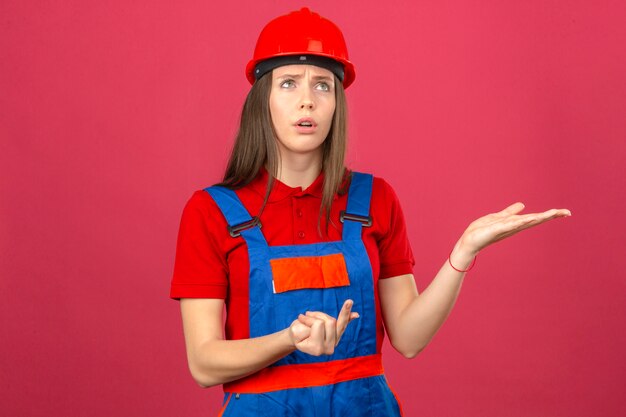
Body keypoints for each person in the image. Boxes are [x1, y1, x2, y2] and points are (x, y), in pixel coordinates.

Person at [170, 7, 571, 416]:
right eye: (288, 83)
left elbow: (410, 338)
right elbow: (204, 363)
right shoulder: (211, 212)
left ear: (337, 104)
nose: (307, 101)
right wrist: (290, 339)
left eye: (323, 86)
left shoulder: (374, 199)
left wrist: (463, 253)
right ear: (262, 100)